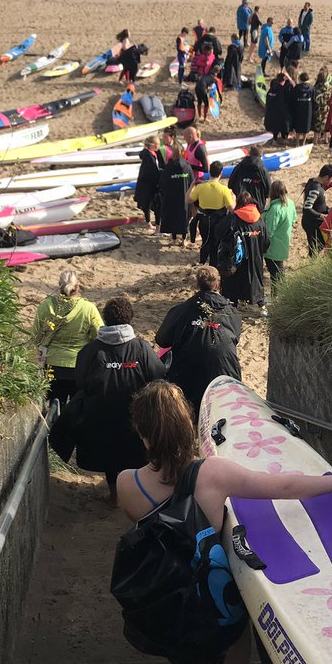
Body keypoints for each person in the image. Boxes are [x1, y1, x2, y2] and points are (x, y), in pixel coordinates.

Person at [116, 380, 332, 664]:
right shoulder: (214, 475)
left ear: (144, 435)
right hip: (212, 590)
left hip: (168, 593)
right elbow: (284, 488)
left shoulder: (127, 483)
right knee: (234, 634)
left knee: (184, 645)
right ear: (186, 425)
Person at [75, 295, 165, 503]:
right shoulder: (141, 348)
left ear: (105, 319)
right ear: (130, 319)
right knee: (136, 453)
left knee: (110, 456)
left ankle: (114, 495)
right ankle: (134, 493)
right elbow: (158, 373)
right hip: (135, 413)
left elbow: (80, 380)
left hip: (101, 413)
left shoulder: (91, 350)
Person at [155, 267, 242, 411]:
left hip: (188, 376)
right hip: (225, 373)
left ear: (197, 284)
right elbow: (234, 338)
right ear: (218, 285)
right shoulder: (232, 312)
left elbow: (162, 339)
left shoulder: (182, 309)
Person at [30, 270, 103, 407]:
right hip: (80, 365)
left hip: (52, 364)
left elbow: (35, 336)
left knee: (54, 403)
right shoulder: (88, 308)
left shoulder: (46, 306)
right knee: (78, 405)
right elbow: (99, 335)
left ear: (59, 285)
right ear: (78, 286)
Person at [214, 190, 269, 313]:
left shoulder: (232, 219)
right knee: (256, 284)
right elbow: (266, 241)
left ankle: (232, 305)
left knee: (232, 285)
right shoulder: (259, 220)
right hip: (255, 261)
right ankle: (261, 306)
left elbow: (218, 232)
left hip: (235, 262)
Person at [186, 161, 235, 265]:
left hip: (204, 220)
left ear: (209, 171)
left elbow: (187, 200)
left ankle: (202, 262)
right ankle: (213, 264)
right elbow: (232, 209)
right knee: (216, 244)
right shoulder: (224, 189)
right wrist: (233, 197)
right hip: (219, 221)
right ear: (221, 173)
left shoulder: (200, 187)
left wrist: (191, 186)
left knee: (205, 241)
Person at [263, 179, 297, 290]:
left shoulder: (275, 208)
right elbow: (293, 220)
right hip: (283, 244)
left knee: (276, 275)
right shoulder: (290, 203)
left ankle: (278, 298)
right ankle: (279, 296)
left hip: (272, 248)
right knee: (279, 272)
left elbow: (269, 231)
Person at [159, 140, 195, 245]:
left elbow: (163, 182)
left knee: (172, 216)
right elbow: (193, 182)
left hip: (171, 197)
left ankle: (174, 239)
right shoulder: (187, 166)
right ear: (183, 152)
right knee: (184, 217)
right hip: (184, 196)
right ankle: (184, 240)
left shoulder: (169, 167)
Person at [301, 165, 332, 255]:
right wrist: (321, 216)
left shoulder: (314, 183)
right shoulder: (315, 188)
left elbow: (319, 204)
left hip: (313, 222)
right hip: (312, 224)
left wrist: (328, 209)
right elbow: (307, 208)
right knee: (315, 250)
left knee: (317, 248)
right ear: (326, 177)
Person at [228, 144, 270, 212]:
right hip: (257, 207)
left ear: (249, 154)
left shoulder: (239, 167)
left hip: (240, 205)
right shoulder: (263, 170)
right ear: (261, 156)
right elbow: (268, 190)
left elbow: (230, 185)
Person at [134, 134, 163, 231]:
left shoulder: (152, 154)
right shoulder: (148, 156)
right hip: (148, 184)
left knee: (148, 204)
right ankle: (152, 225)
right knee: (152, 204)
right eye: (158, 144)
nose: (159, 146)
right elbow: (153, 171)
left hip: (147, 183)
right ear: (153, 145)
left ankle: (149, 223)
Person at [264, 70, 292, 144]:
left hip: (272, 112)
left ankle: (274, 140)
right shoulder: (282, 90)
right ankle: (283, 138)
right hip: (281, 112)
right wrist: (289, 78)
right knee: (283, 125)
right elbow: (292, 87)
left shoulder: (271, 90)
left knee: (275, 126)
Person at [291, 72, 314, 145]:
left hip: (298, 109)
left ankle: (297, 142)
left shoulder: (297, 87)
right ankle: (303, 142)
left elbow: (293, 98)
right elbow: (313, 98)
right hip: (308, 109)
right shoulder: (311, 87)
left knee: (298, 126)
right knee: (306, 127)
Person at [313, 67, 332, 137]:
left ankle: (316, 138)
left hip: (318, 107)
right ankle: (325, 138)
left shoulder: (316, 87)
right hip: (326, 107)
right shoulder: (329, 86)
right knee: (325, 122)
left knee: (318, 122)